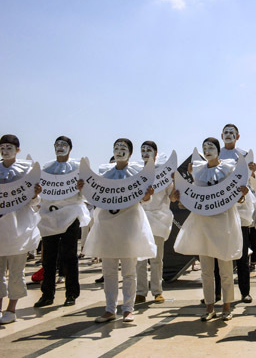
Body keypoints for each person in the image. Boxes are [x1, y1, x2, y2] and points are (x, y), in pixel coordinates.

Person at [172, 137, 247, 321]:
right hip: (203, 223)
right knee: (206, 269)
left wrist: (241, 195)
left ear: (218, 150)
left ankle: (227, 306)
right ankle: (209, 306)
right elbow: (193, 197)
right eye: (204, 147)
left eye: (211, 147)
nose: (207, 150)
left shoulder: (229, 168)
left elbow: (235, 195)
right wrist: (178, 198)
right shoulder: (198, 171)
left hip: (224, 222)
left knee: (225, 267)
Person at [82, 138, 157, 323]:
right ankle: (109, 309)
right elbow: (95, 195)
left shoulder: (138, 173)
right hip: (108, 225)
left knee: (129, 271)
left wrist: (147, 196)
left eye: (123, 148)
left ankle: (128, 309)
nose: (119, 151)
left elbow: (144, 198)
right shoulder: (104, 173)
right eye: (116, 148)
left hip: (130, 224)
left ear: (130, 153)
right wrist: (84, 190)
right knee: (109, 270)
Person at [34, 136, 90, 308]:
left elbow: (86, 194)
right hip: (50, 216)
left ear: (70, 148)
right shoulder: (47, 168)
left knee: (69, 257)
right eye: (57, 145)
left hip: (70, 215)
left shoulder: (77, 168)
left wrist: (83, 188)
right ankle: (47, 294)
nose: (60, 147)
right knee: (49, 257)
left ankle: (71, 293)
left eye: (63, 145)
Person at [0, 135, 41, 324]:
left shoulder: (27, 170)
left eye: (9, 147)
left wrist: (35, 194)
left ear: (17, 149)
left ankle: (11, 309)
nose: (5, 150)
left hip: (20, 227)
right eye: (2, 147)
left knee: (16, 271)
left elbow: (33, 202)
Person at [219, 124, 256, 304]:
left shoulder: (244, 155)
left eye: (231, 133)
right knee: (218, 252)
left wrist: (252, 172)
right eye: (225, 133)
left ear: (238, 136)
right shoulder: (214, 154)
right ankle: (218, 293)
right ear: (221, 135)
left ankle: (245, 292)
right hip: (220, 209)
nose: (228, 135)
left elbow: (248, 180)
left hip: (241, 208)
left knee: (242, 254)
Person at [135, 141, 174, 304]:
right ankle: (140, 292)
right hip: (139, 220)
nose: (145, 153)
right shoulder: (135, 173)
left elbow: (172, 196)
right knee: (140, 259)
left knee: (157, 259)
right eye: (143, 150)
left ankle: (157, 291)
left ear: (156, 153)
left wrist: (176, 181)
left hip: (159, 219)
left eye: (149, 150)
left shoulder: (164, 175)